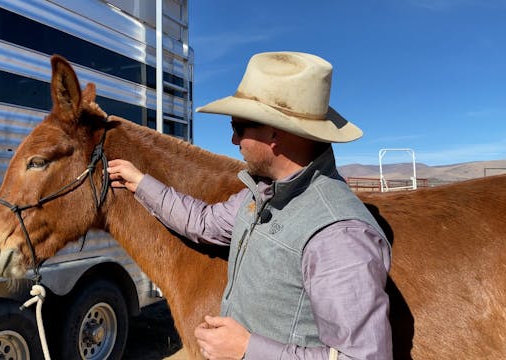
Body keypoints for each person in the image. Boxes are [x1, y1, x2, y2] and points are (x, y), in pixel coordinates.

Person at [107, 52, 392, 360]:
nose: (232, 140)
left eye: (238, 128)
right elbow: (204, 222)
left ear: (274, 132)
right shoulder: (262, 195)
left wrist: (247, 349)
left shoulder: (338, 235)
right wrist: (141, 182)